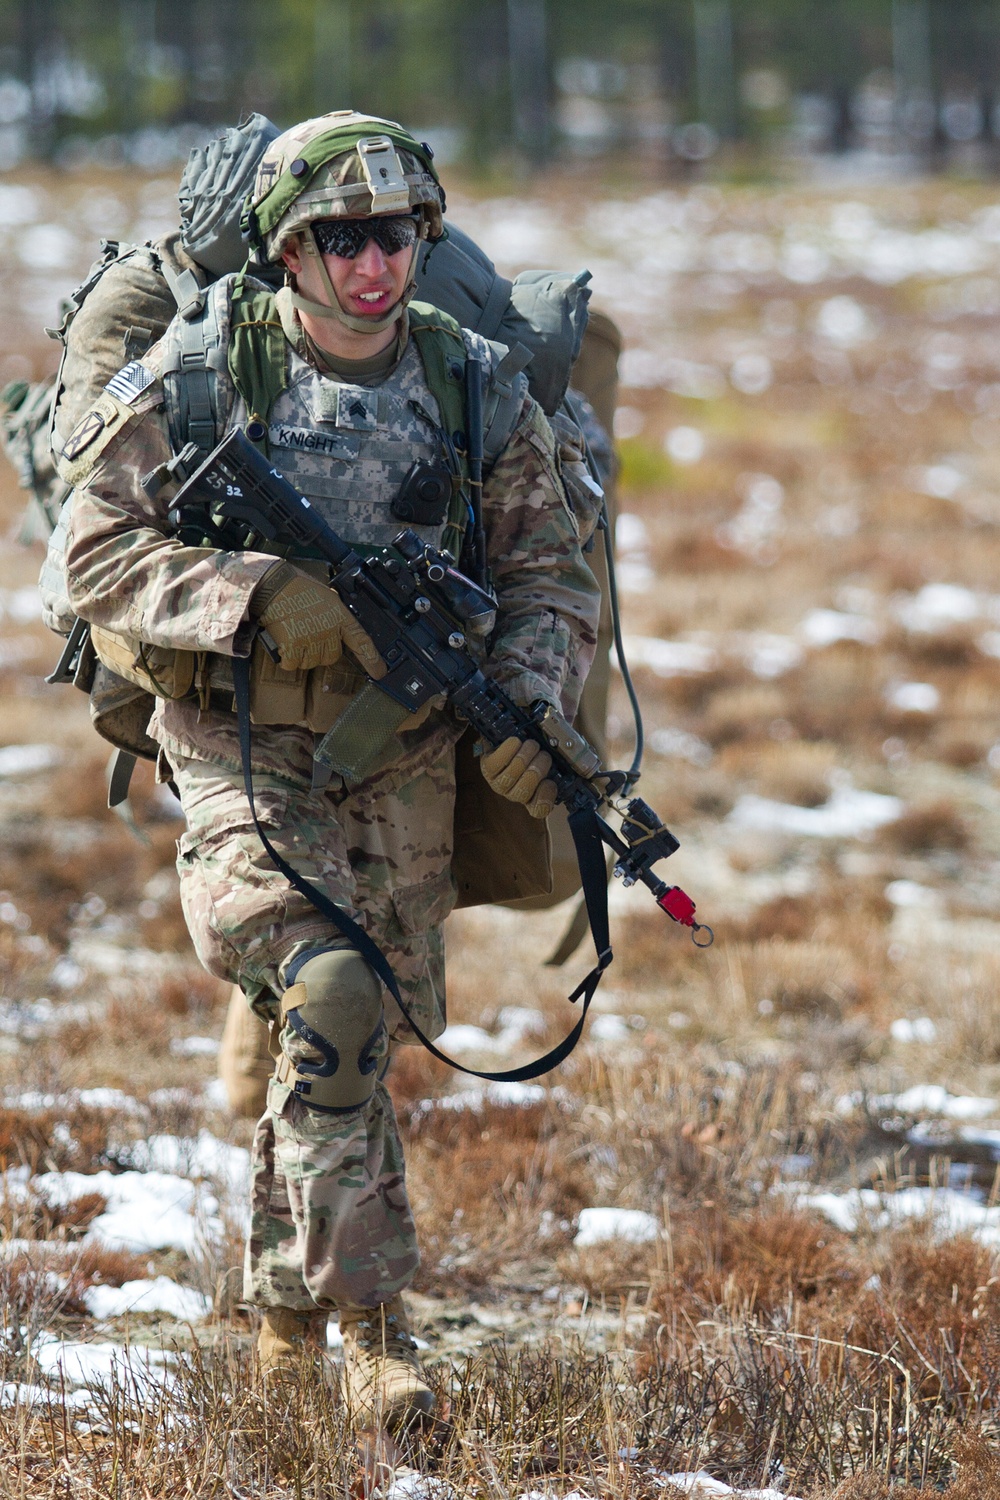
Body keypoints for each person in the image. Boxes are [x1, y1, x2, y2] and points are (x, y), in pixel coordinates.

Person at [58, 111, 600, 1430]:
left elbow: (549, 574)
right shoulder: (205, 374)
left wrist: (527, 706)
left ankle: (282, 1321)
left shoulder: (472, 382)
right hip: (240, 738)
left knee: (339, 1046)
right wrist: (255, 598)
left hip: (404, 747)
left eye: (400, 234)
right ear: (289, 249)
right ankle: (376, 1335)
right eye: (342, 238)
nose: (376, 263)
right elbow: (91, 557)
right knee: (336, 993)